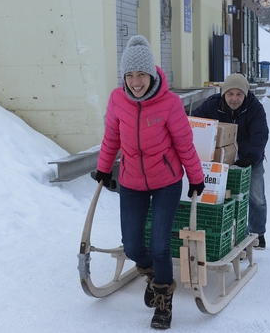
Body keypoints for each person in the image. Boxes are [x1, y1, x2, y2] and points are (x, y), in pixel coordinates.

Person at [95, 35, 204, 330]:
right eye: (129, 75)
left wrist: (196, 177)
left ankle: (163, 301)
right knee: (132, 246)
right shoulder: (118, 99)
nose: (135, 81)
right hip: (131, 181)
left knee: (159, 245)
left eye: (140, 74)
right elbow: (112, 138)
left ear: (151, 74)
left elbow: (184, 143)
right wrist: (104, 169)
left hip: (166, 181)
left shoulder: (169, 103)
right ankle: (154, 275)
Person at [192, 73, 269, 249]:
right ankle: (227, 235)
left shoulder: (255, 108)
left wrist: (251, 157)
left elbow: (260, 135)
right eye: (230, 94)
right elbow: (194, 123)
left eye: (239, 94)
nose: (234, 99)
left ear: (245, 94)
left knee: (256, 198)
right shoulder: (212, 105)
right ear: (223, 93)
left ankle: (258, 234)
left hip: (250, 158)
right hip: (220, 160)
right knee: (223, 198)